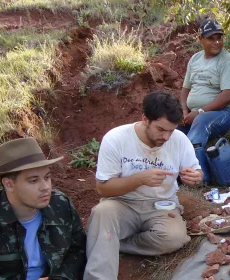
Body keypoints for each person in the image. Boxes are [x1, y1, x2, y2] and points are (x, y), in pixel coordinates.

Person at [83, 91, 203, 279]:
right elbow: (102, 188)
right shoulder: (116, 139)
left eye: (171, 130)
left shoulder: (179, 140)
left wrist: (196, 177)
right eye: (161, 129)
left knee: (174, 238)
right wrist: (140, 179)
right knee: (102, 212)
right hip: (122, 204)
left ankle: (113, 242)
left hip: (161, 206)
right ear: (145, 119)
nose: (166, 137)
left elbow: (197, 172)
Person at [0, 137, 86, 279]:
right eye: (33, 181)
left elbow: (78, 250)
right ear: (9, 184)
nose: (45, 187)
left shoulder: (60, 204)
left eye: (47, 177)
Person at [179, 19, 230, 183]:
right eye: (211, 38)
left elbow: (227, 96)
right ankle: (176, 175)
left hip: (226, 112)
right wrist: (185, 112)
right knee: (171, 129)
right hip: (195, 113)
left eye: (219, 38)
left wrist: (199, 112)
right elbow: (185, 90)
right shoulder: (195, 59)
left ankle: (202, 177)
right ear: (201, 39)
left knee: (200, 121)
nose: (217, 42)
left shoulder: (229, 61)